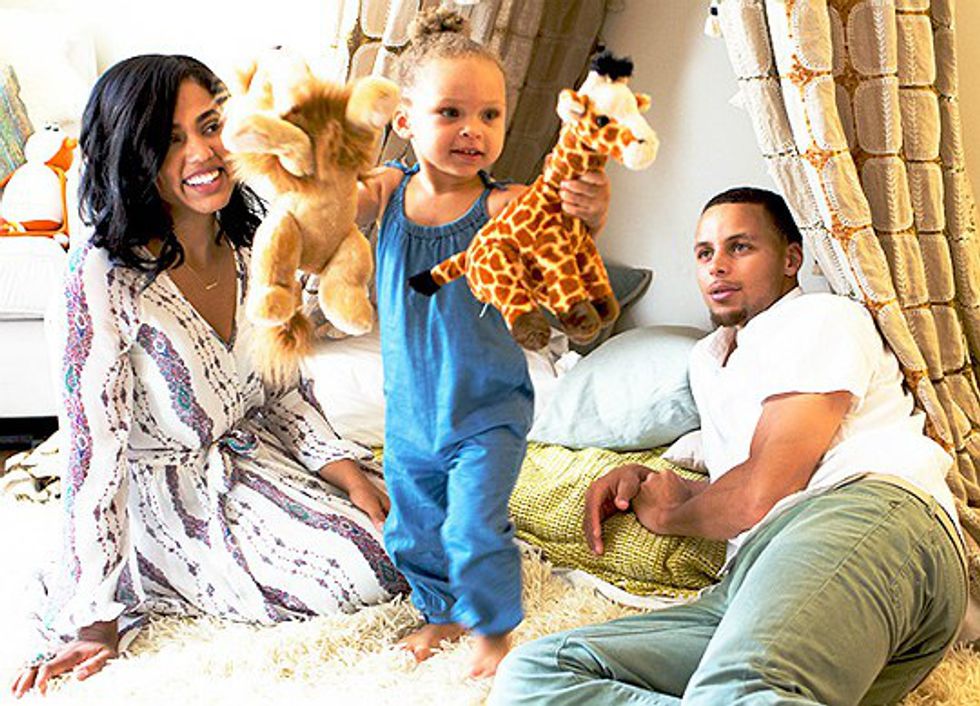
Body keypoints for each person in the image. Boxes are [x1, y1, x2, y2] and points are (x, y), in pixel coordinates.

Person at [10, 54, 407, 699]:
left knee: (423, 522)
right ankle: (149, 576)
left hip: (258, 459)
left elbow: (285, 392)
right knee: (370, 566)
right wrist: (95, 617)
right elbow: (94, 455)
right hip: (168, 506)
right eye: (170, 139)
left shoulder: (253, 245)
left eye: (211, 125)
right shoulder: (100, 278)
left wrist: (350, 475)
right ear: (131, 155)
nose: (203, 153)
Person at [488, 187, 967, 704]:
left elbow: (762, 491)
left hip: (869, 524)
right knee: (536, 673)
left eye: (739, 247)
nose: (716, 266)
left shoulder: (821, 318)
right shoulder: (708, 361)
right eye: (704, 253)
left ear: (791, 260)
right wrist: (647, 483)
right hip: (753, 576)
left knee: (741, 689)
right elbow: (739, 483)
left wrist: (670, 515)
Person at [355, 9, 611, 677]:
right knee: (413, 528)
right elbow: (328, 207)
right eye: (451, 113)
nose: (473, 129)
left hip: (488, 409)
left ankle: (493, 631)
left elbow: (562, 240)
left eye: (489, 115)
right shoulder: (387, 193)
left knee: (472, 525)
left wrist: (589, 213)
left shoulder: (504, 206)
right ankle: (441, 610)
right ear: (405, 121)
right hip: (410, 413)